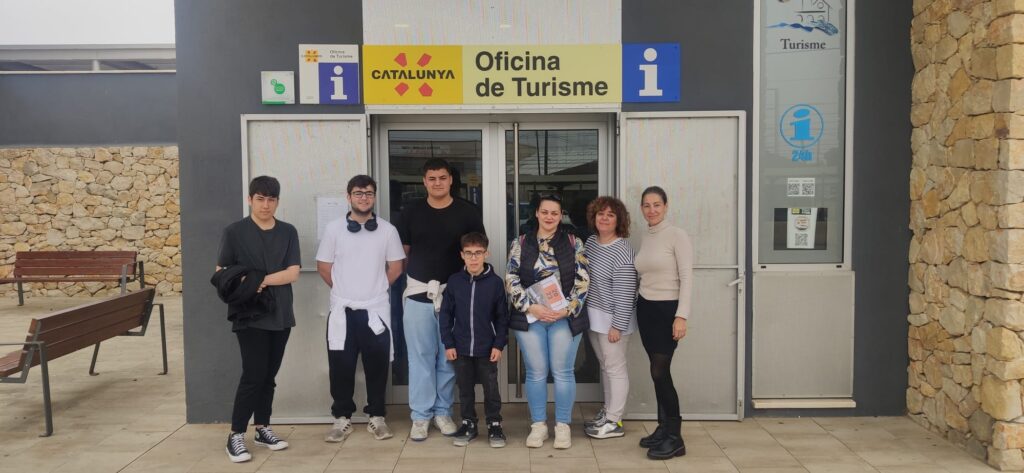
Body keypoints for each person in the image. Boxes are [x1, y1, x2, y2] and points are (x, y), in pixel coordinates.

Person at [397, 158, 486, 441]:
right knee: (420, 357)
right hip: (418, 293)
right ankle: (420, 416)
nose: (438, 183)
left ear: (451, 180)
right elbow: (403, 254)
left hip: (455, 294)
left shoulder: (467, 211)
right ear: (424, 181)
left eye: (443, 177)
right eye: (432, 178)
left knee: (449, 357)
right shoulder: (410, 212)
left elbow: (476, 251)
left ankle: (443, 412)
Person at [315, 175, 405, 445]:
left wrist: (374, 290)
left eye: (368, 193)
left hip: (375, 310)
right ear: (348, 196)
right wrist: (346, 291)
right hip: (343, 311)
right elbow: (324, 267)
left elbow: (396, 267)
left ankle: (377, 416)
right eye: (358, 193)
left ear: (374, 197)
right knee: (340, 366)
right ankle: (341, 418)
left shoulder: (387, 231)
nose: (363, 198)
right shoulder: (333, 229)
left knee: (377, 366)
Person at [215, 176, 300, 463]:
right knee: (253, 374)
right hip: (249, 313)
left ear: (277, 201)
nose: (266, 205)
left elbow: (293, 273)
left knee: (269, 376)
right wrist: (257, 283)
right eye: (260, 199)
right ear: (250, 199)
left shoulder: (288, 231)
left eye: (271, 199)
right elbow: (222, 272)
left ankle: (263, 428)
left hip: (281, 312)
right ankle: (236, 434)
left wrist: (257, 280)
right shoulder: (234, 232)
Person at [506, 194, 589, 450]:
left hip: (564, 318)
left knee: (563, 372)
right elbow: (511, 278)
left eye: (554, 213)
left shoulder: (574, 242)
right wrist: (531, 307)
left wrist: (566, 309)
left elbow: (583, 280)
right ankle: (538, 425)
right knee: (536, 372)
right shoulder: (521, 242)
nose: (549, 217)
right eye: (545, 212)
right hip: (532, 316)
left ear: (561, 215)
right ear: (537, 213)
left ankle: (563, 425)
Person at [634, 186, 693, 460]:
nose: (652, 210)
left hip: (668, 310)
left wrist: (682, 315)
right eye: (646, 205)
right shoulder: (646, 235)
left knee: (660, 372)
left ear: (666, 206)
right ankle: (663, 428)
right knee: (655, 370)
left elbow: (687, 277)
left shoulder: (677, 235)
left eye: (656, 204)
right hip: (646, 308)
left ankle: (675, 438)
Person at [438, 232, 509, 448]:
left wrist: (498, 344)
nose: (474, 258)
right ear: (462, 255)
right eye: (469, 253)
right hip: (460, 347)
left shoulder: (495, 283)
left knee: (490, 388)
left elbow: (502, 317)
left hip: (487, 348)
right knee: (465, 388)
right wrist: (449, 343)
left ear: (486, 253)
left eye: (478, 253)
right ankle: (468, 423)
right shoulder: (455, 281)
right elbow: (445, 315)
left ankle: (494, 424)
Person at [581, 196, 638, 440]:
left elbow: (626, 292)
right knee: (605, 366)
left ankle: (614, 421)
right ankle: (608, 411)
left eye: (611, 215)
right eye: (600, 213)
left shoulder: (623, 250)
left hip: (614, 321)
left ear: (619, 220)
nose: (604, 218)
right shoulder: (591, 243)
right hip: (594, 318)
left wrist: (618, 325)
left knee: (615, 368)